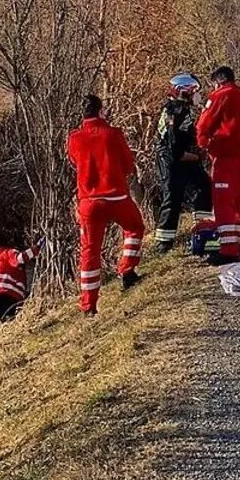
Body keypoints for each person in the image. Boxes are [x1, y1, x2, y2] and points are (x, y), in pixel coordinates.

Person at [67, 94, 145, 317]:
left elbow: (74, 161)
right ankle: (127, 269)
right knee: (134, 227)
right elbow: (129, 165)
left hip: (89, 202)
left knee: (89, 252)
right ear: (101, 111)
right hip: (116, 196)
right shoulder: (113, 134)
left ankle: (88, 306)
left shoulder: (74, 138)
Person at [196, 65, 240, 265]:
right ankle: (236, 245)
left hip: (225, 158)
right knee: (239, 203)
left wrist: (204, 145)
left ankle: (228, 251)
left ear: (218, 81)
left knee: (224, 204)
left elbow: (203, 125)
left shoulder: (219, 96)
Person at [154, 74, 212, 253]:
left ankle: (203, 230)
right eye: (194, 92)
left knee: (203, 187)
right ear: (184, 92)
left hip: (185, 157)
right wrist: (197, 156)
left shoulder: (181, 109)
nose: (197, 96)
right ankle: (164, 242)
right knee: (173, 197)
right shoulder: (176, 111)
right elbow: (174, 148)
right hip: (172, 160)